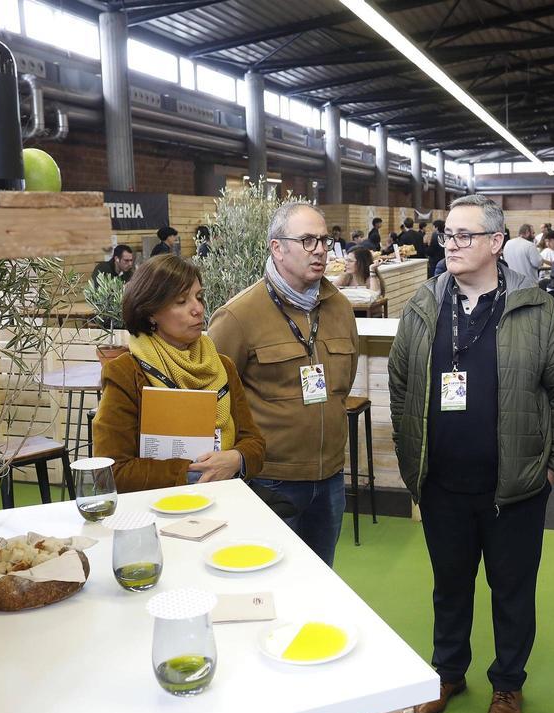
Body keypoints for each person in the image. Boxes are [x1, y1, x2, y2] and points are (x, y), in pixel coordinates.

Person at [389, 194, 554, 713]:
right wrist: (410, 460)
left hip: (515, 488)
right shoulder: (425, 304)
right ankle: (448, 672)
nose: (450, 244)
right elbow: (401, 383)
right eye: (447, 234)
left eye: (464, 235)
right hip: (442, 484)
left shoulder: (534, 309)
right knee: (449, 586)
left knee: (512, 591)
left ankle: (507, 683)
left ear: (496, 243)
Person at [208, 202, 359, 567]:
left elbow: (343, 384)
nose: (320, 250)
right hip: (269, 480)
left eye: (324, 240)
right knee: (268, 581)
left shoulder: (340, 308)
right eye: (307, 240)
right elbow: (212, 398)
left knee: (321, 577)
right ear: (277, 247)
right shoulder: (238, 315)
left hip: (330, 478)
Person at [92, 254, 265, 491]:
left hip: (225, 498)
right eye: (182, 301)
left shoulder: (223, 366)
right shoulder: (126, 373)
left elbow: (254, 443)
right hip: (156, 506)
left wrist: (237, 459)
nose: (198, 309)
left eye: (199, 297)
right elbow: (111, 470)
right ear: (150, 312)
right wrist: (190, 473)